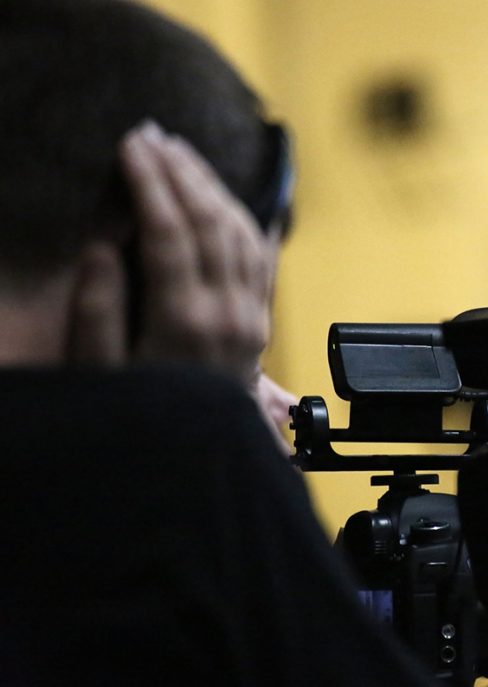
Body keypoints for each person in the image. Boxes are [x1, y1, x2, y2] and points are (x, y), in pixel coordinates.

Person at [0, 1, 436, 684]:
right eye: (248, 362)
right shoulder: (184, 454)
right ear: (158, 257)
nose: (280, 411)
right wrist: (195, 435)